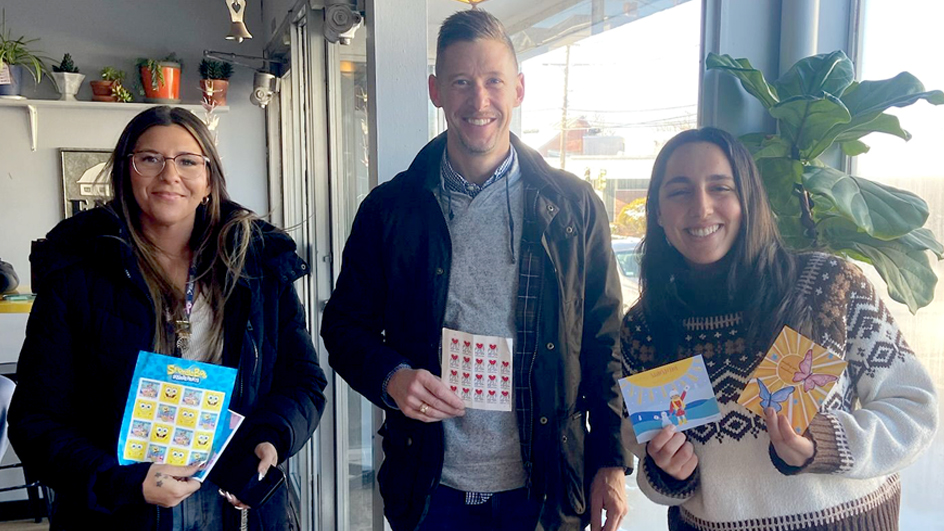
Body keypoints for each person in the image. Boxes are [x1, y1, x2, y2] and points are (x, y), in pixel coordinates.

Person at [321, 9, 630, 531]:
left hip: (546, 484)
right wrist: (392, 377)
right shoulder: (390, 209)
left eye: (493, 82)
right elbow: (343, 326)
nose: (478, 100)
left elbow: (605, 338)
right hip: (429, 485)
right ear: (435, 90)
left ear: (519, 89)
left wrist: (610, 458)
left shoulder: (572, 207)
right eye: (461, 82)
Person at [8, 106, 327, 530]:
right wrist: (124, 481)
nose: (169, 175)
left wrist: (271, 436)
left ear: (209, 179)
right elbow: (35, 420)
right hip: (119, 511)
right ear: (126, 173)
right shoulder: (77, 274)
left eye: (188, 161)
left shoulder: (257, 267)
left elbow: (303, 380)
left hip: (233, 507)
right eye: (150, 159)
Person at [620, 127, 938, 530]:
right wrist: (669, 471)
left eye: (720, 187)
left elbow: (913, 408)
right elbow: (647, 461)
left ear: (749, 201)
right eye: (679, 192)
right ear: (658, 213)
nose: (701, 208)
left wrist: (821, 444)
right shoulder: (645, 329)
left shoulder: (826, 286)